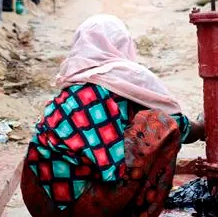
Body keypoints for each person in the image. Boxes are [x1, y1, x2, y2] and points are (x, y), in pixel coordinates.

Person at [20, 15, 205, 217]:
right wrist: (203, 126)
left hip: (38, 197)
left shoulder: (72, 83)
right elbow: (180, 126)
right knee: (161, 124)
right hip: (79, 206)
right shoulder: (122, 81)